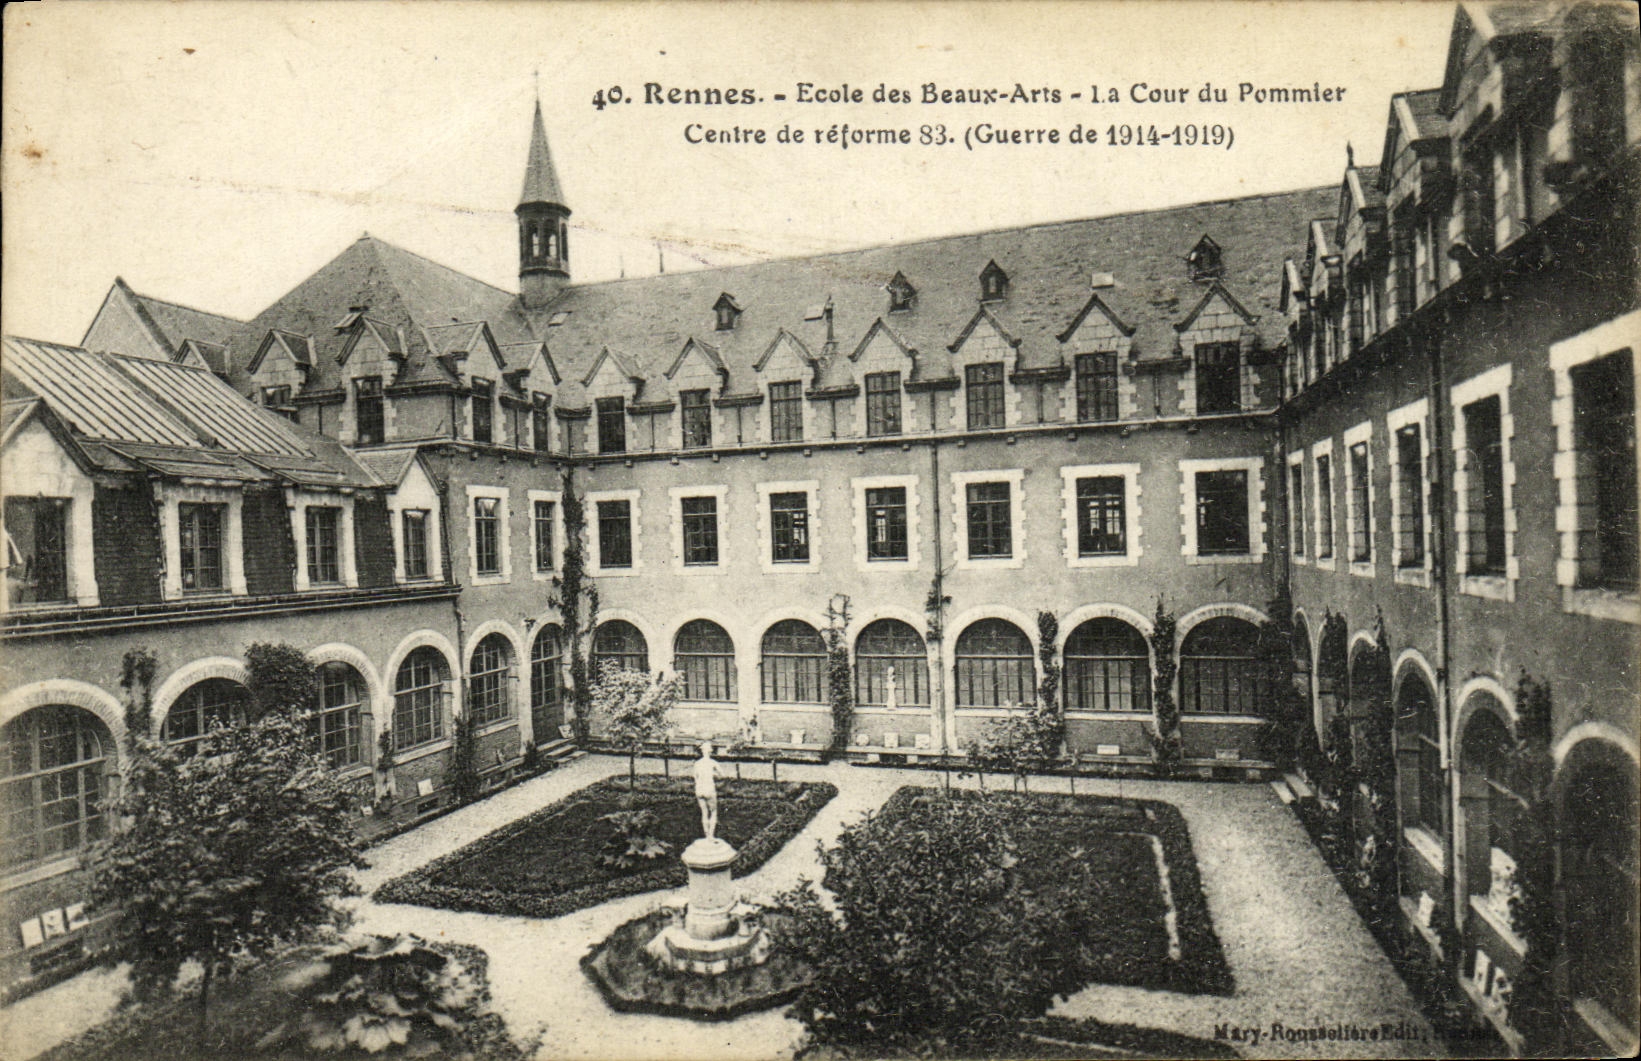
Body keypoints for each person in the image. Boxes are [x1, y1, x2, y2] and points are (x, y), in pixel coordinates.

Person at [693, 740, 720, 839]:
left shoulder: (697, 763)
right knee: (713, 811)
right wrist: (714, 774)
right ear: (711, 751)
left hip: (699, 789)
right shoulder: (713, 763)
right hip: (709, 788)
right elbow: (722, 775)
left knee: (704, 812)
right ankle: (711, 836)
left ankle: (706, 834)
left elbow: (695, 777)